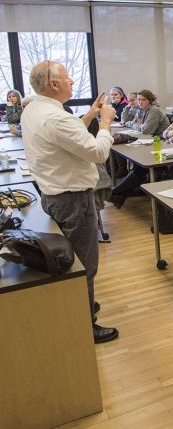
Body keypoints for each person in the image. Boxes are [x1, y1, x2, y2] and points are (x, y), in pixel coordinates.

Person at [22, 60, 119, 343]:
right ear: (54, 84)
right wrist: (105, 123)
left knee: (74, 261)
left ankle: (81, 305)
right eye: (67, 77)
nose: (72, 82)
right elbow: (98, 153)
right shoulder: (57, 117)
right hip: (74, 201)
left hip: (53, 196)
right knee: (84, 265)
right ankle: (86, 325)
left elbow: (67, 134)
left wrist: (89, 115)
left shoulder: (34, 110)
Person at [110, 91, 172, 208]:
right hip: (148, 143)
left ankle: (117, 193)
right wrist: (128, 107)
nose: (140, 102)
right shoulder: (142, 110)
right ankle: (119, 194)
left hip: (160, 145)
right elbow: (125, 121)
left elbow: (146, 130)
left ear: (150, 100)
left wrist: (132, 124)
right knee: (139, 165)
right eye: (138, 100)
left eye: (143, 100)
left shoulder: (154, 110)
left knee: (140, 166)